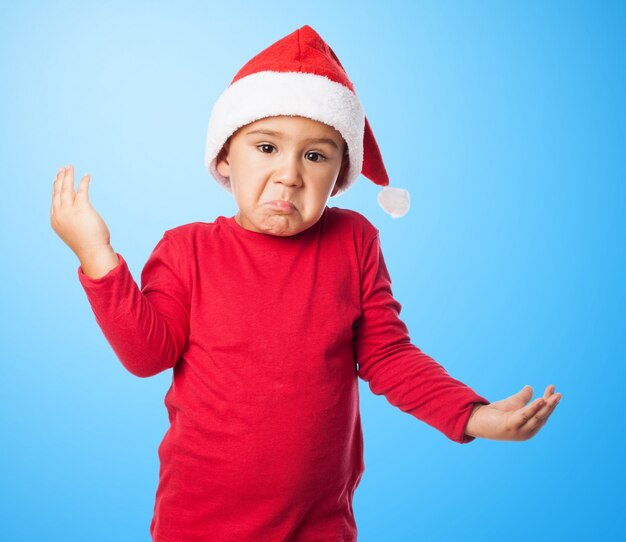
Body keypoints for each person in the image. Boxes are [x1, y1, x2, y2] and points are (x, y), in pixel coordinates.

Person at [50, 25, 562, 542]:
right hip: (199, 523)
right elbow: (147, 356)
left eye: (315, 156)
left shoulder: (354, 241)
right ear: (225, 156)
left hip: (319, 524)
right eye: (267, 146)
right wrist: (97, 256)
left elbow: (387, 356)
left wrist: (471, 414)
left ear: (340, 174)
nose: (290, 174)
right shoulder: (187, 250)